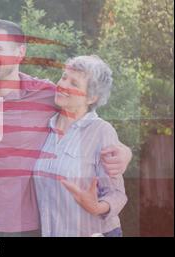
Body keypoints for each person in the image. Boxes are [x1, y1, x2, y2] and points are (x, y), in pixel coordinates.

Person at [0, 19, 132, 236]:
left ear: (19, 53)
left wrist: (125, 153)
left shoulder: (45, 94)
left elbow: (91, 122)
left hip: (33, 227)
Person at [33, 55, 127, 237]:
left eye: (74, 83)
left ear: (91, 97)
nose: (63, 85)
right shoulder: (45, 128)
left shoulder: (101, 132)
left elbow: (117, 193)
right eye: (63, 77)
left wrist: (97, 206)